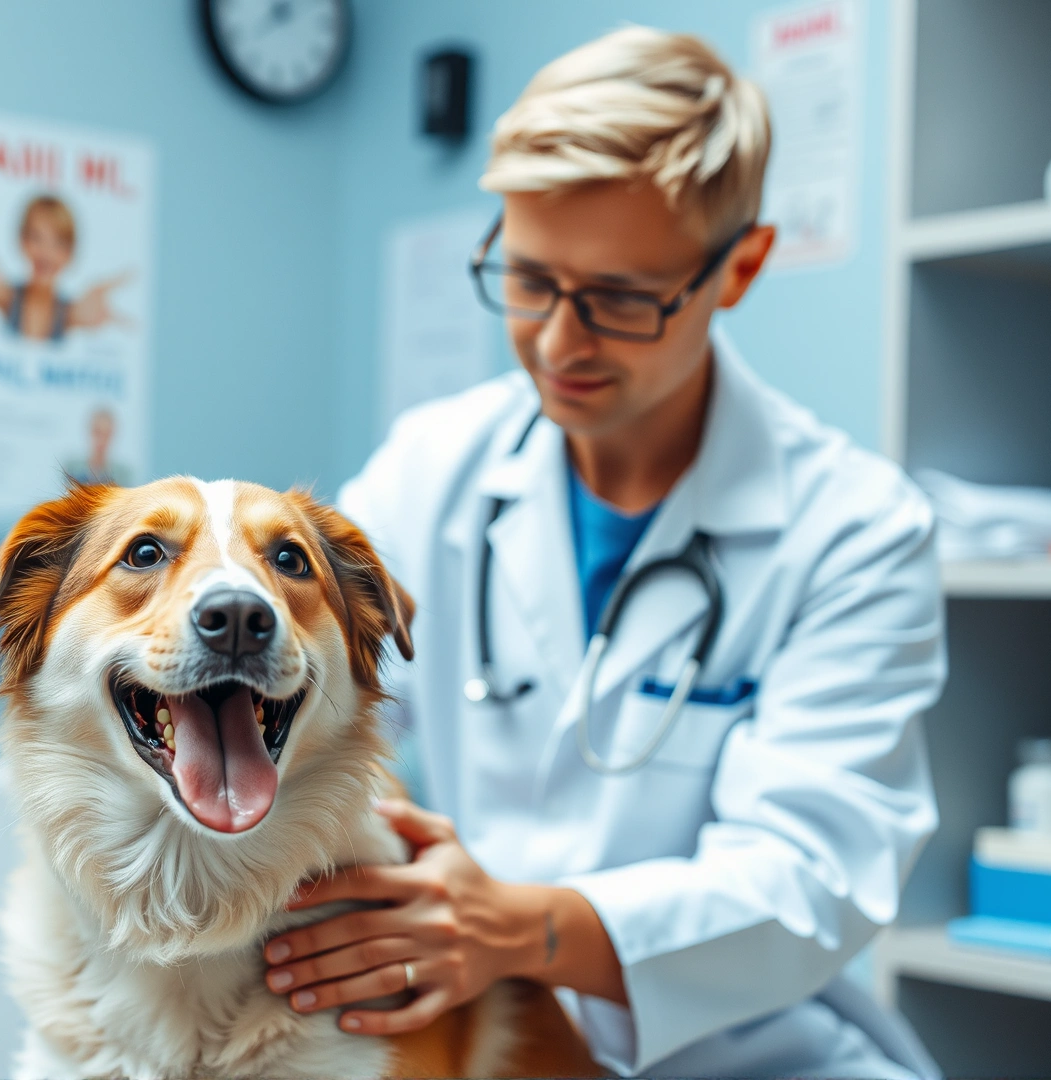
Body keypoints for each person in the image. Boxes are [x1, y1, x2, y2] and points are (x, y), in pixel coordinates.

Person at [263, 27, 944, 1079]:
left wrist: (514, 927)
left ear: (741, 269)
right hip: (476, 1027)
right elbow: (311, 718)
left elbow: (811, 878)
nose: (560, 341)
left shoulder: (853, 528)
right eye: (529, 279)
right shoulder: (430, 471)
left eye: (622, 299)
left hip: (746, 1055)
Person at [0, 194, 133, 343]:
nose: (46, 252)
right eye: (36, 238)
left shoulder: (68, 314)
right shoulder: (10, 299)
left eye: (58, 243)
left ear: (70, 253)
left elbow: (81, 313)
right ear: (22, 241)